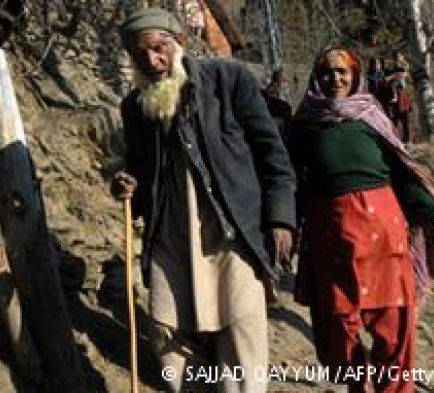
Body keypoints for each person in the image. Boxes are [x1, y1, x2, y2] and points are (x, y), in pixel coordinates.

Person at [112, 8, 297, 392]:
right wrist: (126, 184)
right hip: (171, 238)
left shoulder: (227, 80)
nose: (152, 61)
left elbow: (272, 152)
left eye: (159, 48)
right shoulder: (135, 107)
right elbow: (139, 170)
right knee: (168, 334)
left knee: (240, 334)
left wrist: (280, 218)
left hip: (231, 231)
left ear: (178, 42)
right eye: (140, 54)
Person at [289, 46, 434, 393]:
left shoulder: (371, 118)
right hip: (331, 237)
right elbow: (290, 181)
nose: (335, 78)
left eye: (343, 71)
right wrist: (281, 224)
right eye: (327, 73)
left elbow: (403, 175)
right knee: (338, 325)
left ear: (356, 76)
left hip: (383, 233)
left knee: (392, 321)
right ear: (316, 78)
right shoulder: (304, 126)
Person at [262, 68, 293, 143]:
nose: (283, 80)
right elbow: (270, 100)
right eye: (281, 78)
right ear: (277, 78)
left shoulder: (274, 87)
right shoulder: (273, 87)